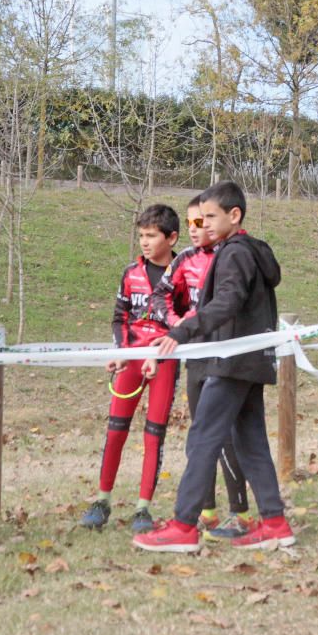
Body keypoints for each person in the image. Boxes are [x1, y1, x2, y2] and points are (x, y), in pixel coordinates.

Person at [133, 180, 293, 553]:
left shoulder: (235, 253)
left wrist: (184, 330)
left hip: (230, 362)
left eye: (209, 217)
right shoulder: (248, 251)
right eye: (200, 217)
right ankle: (275, 522)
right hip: (248, 360)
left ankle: (184, 525)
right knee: (251, 441)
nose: (202, 224)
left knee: (203, 437)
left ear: (234, 215)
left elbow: (227, 302)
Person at [149, 195, 253, 541]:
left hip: (226, 354)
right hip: (195, 354)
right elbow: (159, 296)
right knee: (200, 435)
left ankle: (241, 511)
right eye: (191, 223)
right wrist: (177, 323)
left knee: (228, 437)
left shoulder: (230, 255)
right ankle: (206, 510)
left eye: (201, 222)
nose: (195, 230)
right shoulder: (185, 259)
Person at [80, 204, 180, 533]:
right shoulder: (130, 273)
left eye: (151, 236)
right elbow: (119, 316)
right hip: (130, 361)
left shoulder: (184, 273)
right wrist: (122, 352)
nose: (145, 242)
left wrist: (161, 352)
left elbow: (185, 324)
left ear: (171, 238)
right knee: (115, 430)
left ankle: (143, 508)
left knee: (154, 435)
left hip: (164, 363)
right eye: (141, 236)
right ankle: (102, 500)